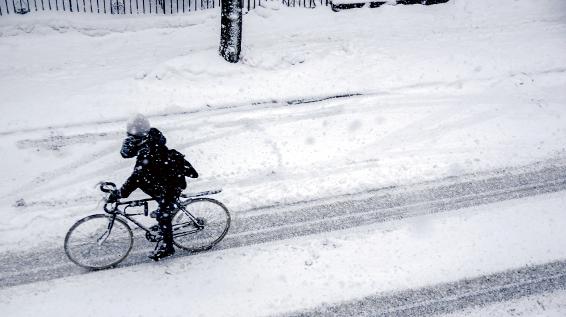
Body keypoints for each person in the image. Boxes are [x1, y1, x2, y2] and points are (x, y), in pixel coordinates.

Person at [108, 114, 198, 261]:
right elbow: (127, 154)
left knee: (164, 214)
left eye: (132, 133)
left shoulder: (148, 149)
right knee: (152, 192)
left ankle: (168, 247)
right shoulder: (146, 139)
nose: (130, 136)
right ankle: (166, 207)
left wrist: (120, 193)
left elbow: (136, 177)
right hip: (160, 179)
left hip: (171, 183)